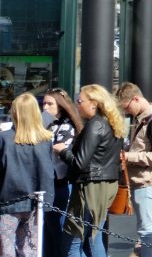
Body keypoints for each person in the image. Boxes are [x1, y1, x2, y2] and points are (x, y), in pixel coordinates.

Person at [55, 84, 125, 257]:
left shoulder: (95, 125)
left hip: (90, 187)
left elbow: (80, 163)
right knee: (94, 237)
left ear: (94, 103)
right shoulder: (111, 123)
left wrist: (62, 151)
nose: (77, 105)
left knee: (72, 242)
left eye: (80, 101)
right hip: (105, 185)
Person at [116, 83, 152, 257]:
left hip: (144, 182)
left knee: (146, 228)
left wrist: (129, 156)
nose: (127, 112)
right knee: (144, 226)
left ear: (136, 99)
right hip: (136, 181)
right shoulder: (142, 119)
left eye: (127, 107)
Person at [0, 93, 55, 257]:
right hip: (34, 203)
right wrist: (46, 204)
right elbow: (47, 172)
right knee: (30, 248)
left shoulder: (4, 139)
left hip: (7, 203)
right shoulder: (45, 140)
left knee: (6, 249)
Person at [40, 89, 82, 257]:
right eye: (44, 103)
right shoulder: (46, 123)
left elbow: (56, 149)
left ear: (61, 106)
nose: (45, 107)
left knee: (58, 230)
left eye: (50, 104)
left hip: (60, 182)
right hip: (47, 181)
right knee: (47, 230)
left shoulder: (66, 126)